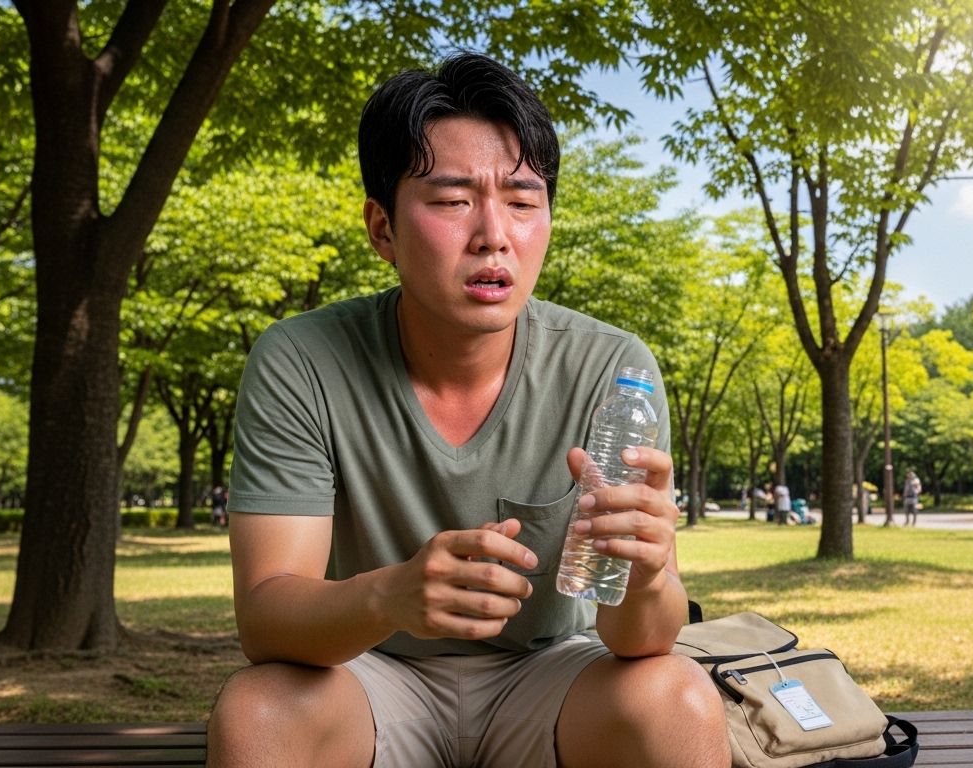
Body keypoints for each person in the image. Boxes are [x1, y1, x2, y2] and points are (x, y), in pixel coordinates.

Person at [205, 55, 729, 768]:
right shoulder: (302, 359)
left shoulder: (613, 369)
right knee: (256, 712)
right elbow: (267, 620)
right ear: (382, 228)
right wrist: (390, 597)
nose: (494, 234)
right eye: (452, 200)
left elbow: (641, 639)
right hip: (368, 674)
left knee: (679, 698)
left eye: (522, 200)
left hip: (551, 675)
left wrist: (649, 576)